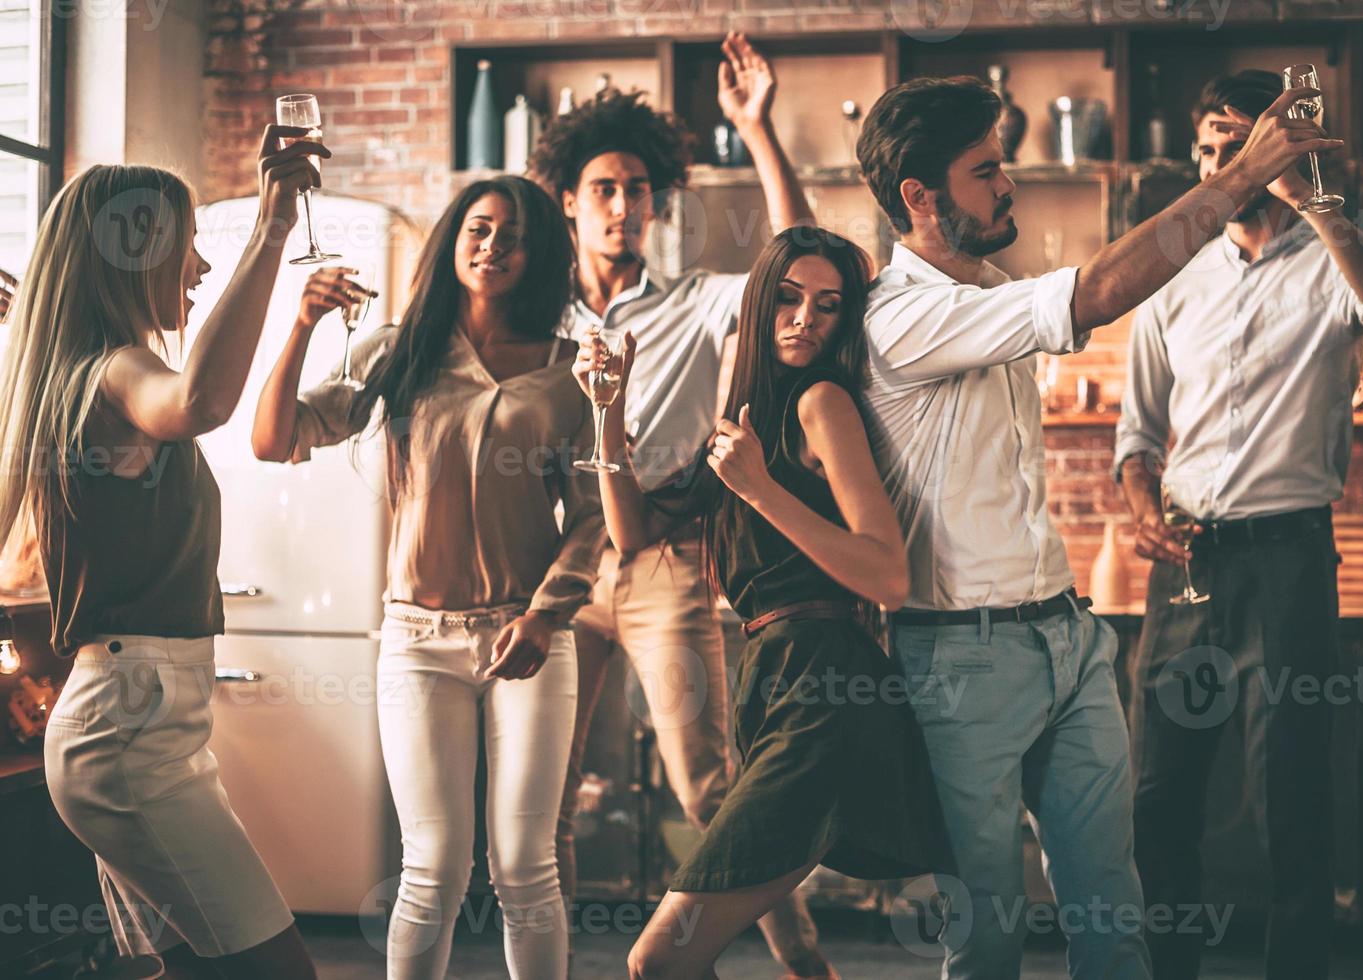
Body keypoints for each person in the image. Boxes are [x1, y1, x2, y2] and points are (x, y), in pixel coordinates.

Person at [853, 74, 1344, 979]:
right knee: (990, 933)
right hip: (961, 657)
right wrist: (1239, 177)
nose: (1008, 187)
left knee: (1115, 920)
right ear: (918, 197)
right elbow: (1099, 292)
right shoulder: (902, 316)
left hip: (1065, 640)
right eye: (985, 171)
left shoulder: (989, 289)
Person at [1116, 70, 1363, 980]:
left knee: (1290, 800)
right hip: (1184, 567)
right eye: (1213, 147)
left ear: (1281, 151)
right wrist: (1141, 509)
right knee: (1158, 798)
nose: (1224, 165)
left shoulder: (1332, 263)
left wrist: (1318, 203)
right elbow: (1136, 436)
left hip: (1289, 563)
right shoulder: (1170, 273)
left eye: (1244, 145)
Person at [530, 31, 833, 979]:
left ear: (658, 202)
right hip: (561, 569)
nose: (623, 207)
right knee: (543, 802)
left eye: (638, 190)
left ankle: (804, 965)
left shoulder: (699, 301)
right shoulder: (536, 315)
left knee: (708, 788)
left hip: (665, 559)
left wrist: (758, 129)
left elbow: (795, 261)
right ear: (570, 204)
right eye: (603, 190)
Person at [572, 225, 953, 979]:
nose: (804, 319)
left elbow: (886, 576)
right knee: (690, 956)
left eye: (827, 306)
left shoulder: (821, 403)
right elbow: (633, 531)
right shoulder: (745, 421)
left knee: (659, 958)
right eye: (785, 299)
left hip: (827, 699)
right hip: (777, 689)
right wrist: (605, 410)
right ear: (757, 306)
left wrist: (760, 489)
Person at [251, 176, 605, 980]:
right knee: (434, 867)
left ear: (538, 254)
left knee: (523, 868)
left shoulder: (568, 372)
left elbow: (590, 516)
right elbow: (274, 439)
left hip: (529, 638)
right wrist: (302, 321)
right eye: (478, 230)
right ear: (453, 240)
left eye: (512, 236)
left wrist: (549, 616)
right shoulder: (399, 350)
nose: (491, 247)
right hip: (416, 642)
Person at [0, 133, 326, 978]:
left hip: (143, 727)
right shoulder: (113, 371)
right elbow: (203, 401)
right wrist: (270, 227)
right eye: (187, 250)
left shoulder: (80, 375)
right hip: (128, 735)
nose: (198, 272)